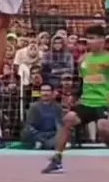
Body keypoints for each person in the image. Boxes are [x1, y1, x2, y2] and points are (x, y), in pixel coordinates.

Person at [43, 25, 109, 173]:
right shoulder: (83, 59)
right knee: (68, 119)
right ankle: (57, 159)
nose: (89, 42)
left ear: (102, 40)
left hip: (104, 103)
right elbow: (81, 81)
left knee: (103, 128)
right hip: (86, 102)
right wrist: (74, 96)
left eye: (93, 38)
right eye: (88, 38)